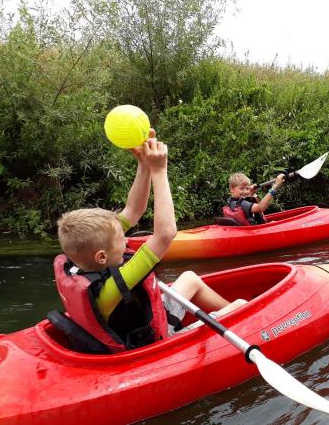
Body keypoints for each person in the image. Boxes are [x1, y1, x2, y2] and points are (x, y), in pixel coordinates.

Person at [55, 135, 244, 353]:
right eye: (121, 240)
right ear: (101, 257)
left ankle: (230, 317)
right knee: (240, 305)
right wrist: (159, 171)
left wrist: (143, 164)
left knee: (190, 279)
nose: (126, 240)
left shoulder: (77, 255)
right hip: (158, 343)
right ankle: (240, 317)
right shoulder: (114, 287)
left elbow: (134, 210)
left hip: (149, 318)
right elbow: (165, 234)